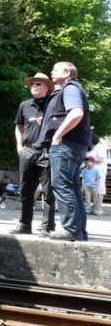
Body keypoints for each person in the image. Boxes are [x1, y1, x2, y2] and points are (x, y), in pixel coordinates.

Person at [36, 61, 92, 241]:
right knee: (73, 188)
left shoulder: (70, 88)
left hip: (65, 146)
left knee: (62, 185)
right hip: (74, 146)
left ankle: (71, 229)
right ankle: (79, 231)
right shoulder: (70, 89)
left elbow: (76, 113)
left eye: (55, 70)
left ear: (67, 72)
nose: (51, 72)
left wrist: (57, 135)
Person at [10, 72, 56, 235]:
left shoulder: (53, 104)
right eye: (33, 84)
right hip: (28, 151)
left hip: (47, 151)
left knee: (48, 191)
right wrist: (19, 146)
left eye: (38, 84)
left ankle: (47, 226)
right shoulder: (24, 105)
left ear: (47, 87)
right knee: (25, 190)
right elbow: (19, 126)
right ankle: (24, 224)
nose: (34, 87)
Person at [85, 133, 107, 215]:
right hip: (89, 172)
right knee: (88, 190)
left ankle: (98, 208)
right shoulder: (90, 147)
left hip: (99, 171)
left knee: (99, 190)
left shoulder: (100, 146)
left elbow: (101, 159)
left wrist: (89, 160)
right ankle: (90, 207)